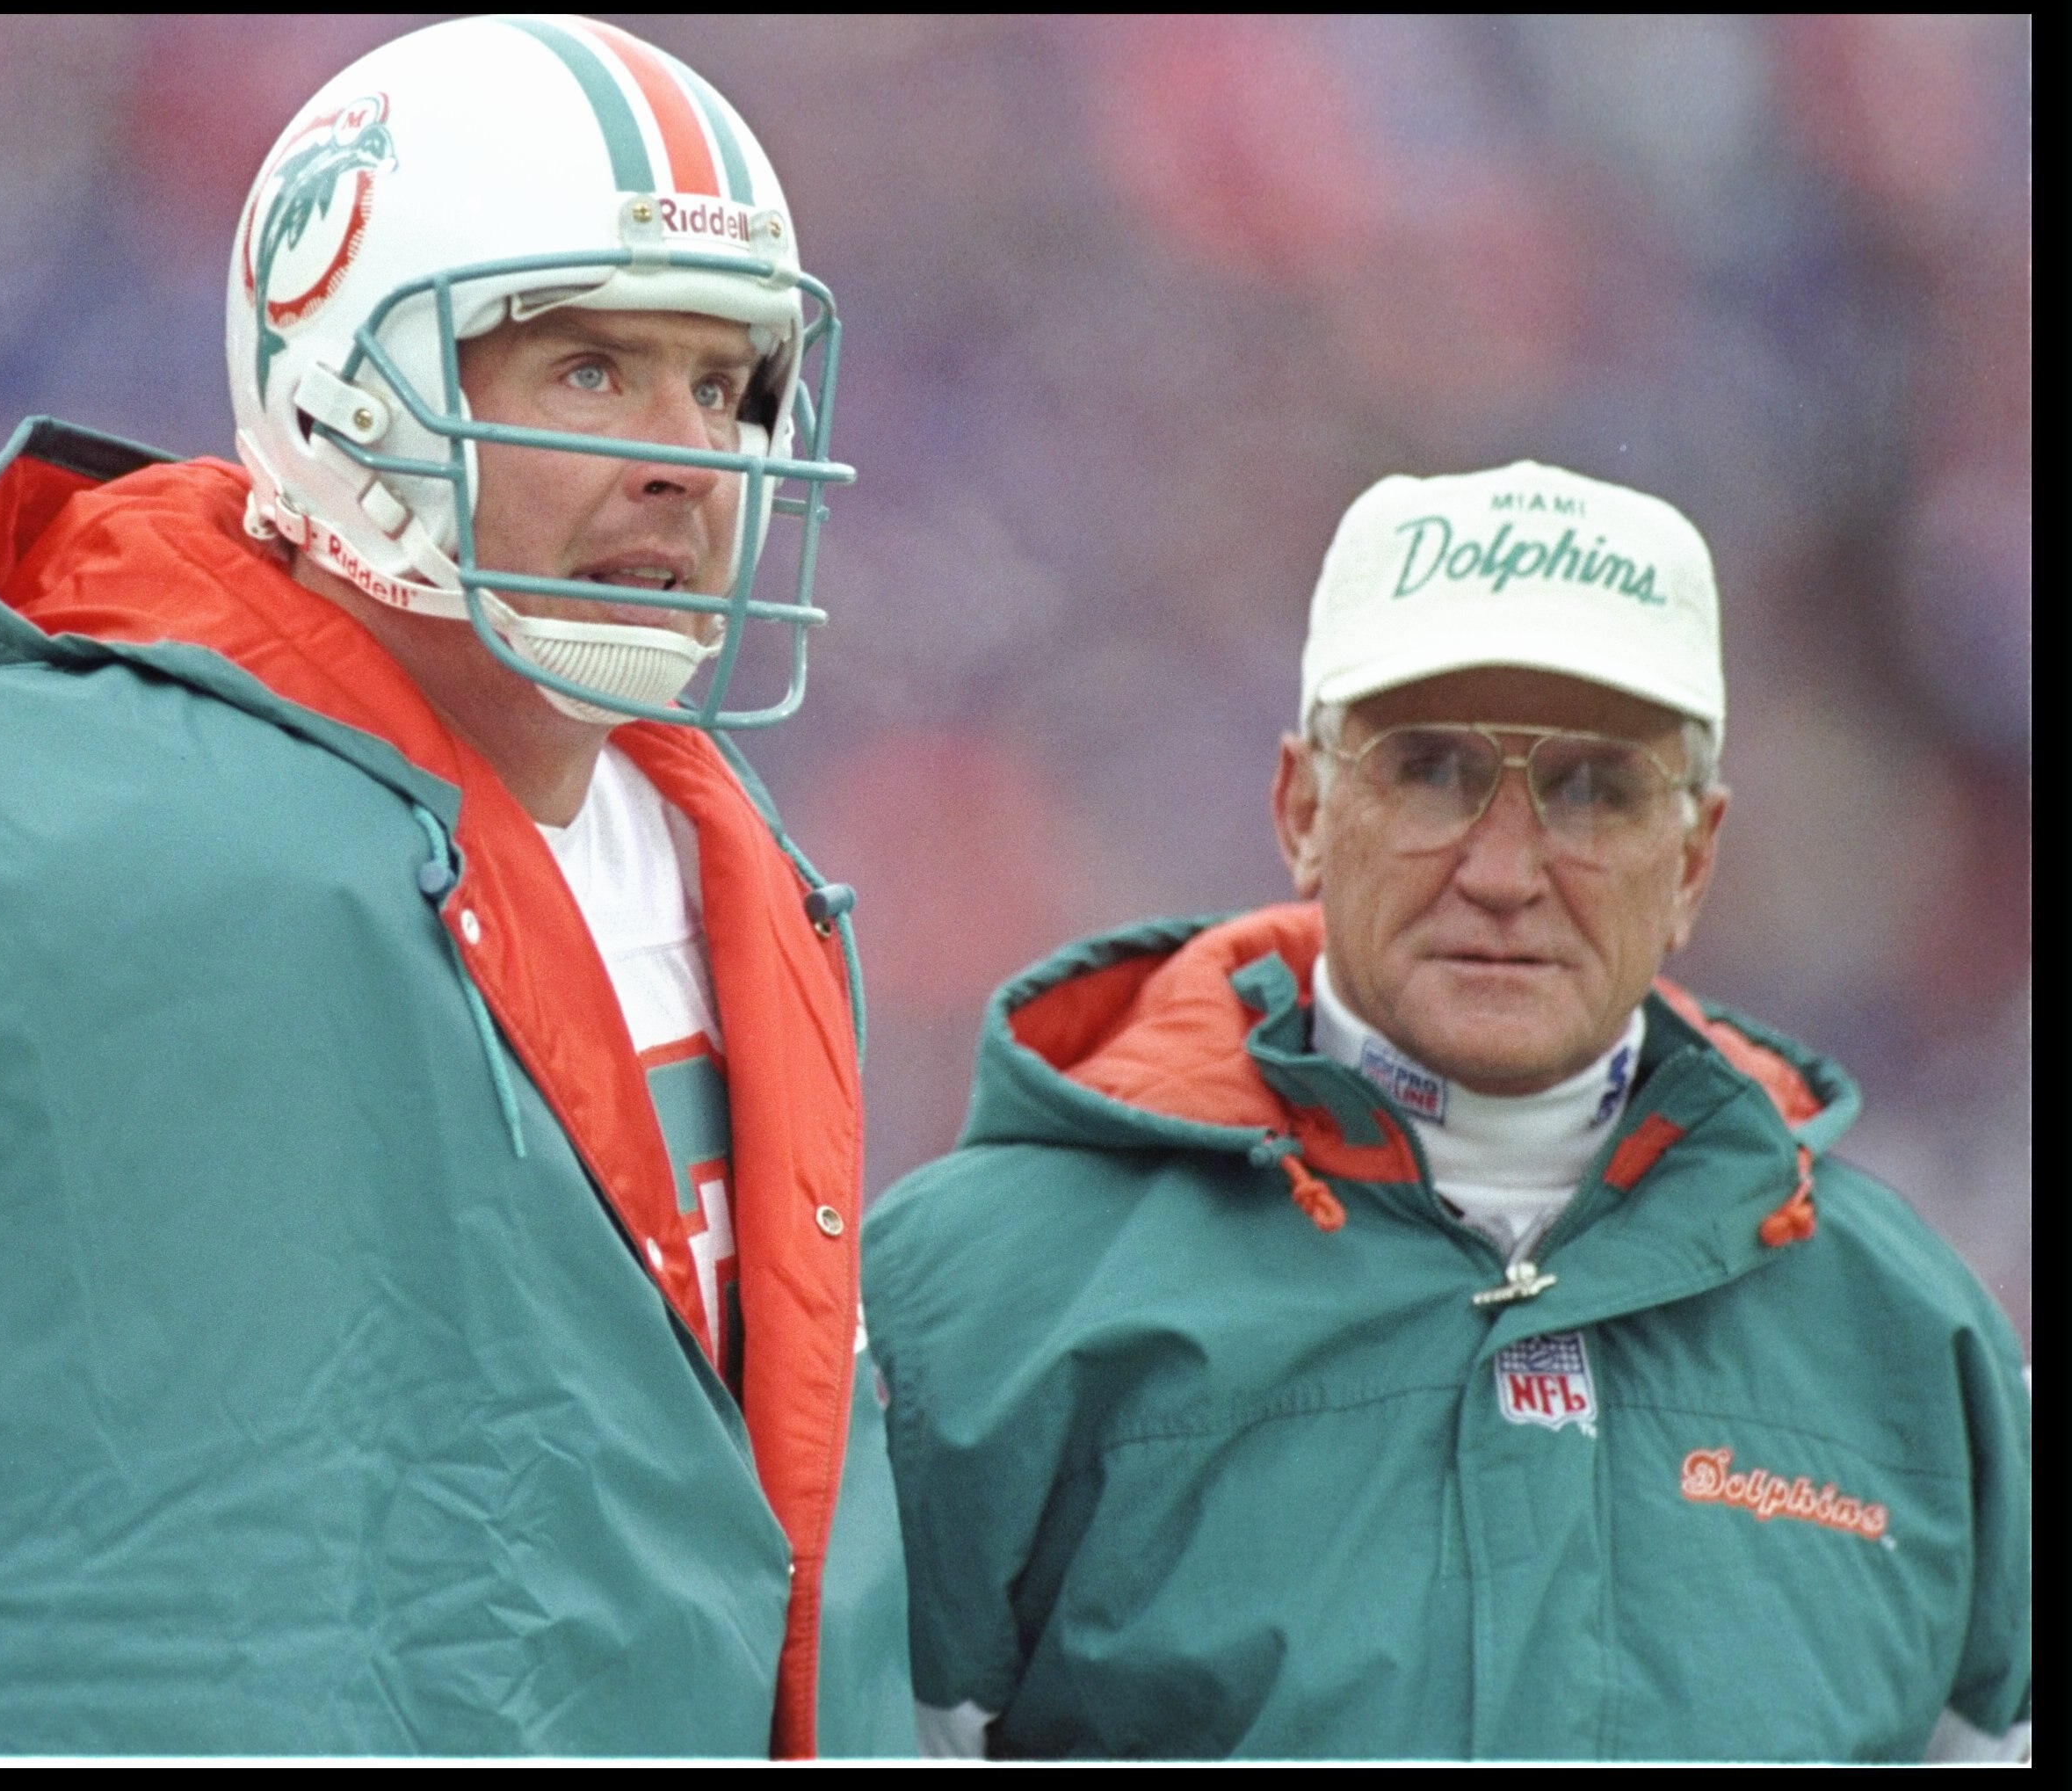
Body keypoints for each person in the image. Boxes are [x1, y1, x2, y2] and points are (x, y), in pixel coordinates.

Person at [0, 17, 912, 1758]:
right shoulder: (49, 847)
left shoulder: (728, 852)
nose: (686, 457)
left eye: (723, 384)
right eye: (591, 369)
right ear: (345, 389)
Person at [862, 460, 2032, 1762]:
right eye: (1429, 772)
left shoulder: (1917, 1343)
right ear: (1304, 809)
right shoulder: (972, 1305)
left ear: (1695, 858)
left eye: (1595, 789)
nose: (1505, 871)